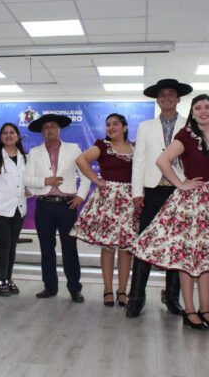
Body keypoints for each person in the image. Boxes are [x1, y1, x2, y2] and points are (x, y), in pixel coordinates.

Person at [132, 94, 209, 330]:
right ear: (193, 113)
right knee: (187, 257)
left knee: (208, 257)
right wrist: (181, 183)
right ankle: (189, 309)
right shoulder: (186, 135)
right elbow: (162, 160)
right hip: (192, 203)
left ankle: (205, 309)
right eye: (198, 108)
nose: (203, 111)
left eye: (207, 107)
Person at [126, 78, 192, 318]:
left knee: (176, 245)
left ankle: (172, 297)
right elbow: (139, 161)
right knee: (144, 244)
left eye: (171, 94)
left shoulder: (190, 125)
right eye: (162, 95)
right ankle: (136, 297)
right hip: (153, 190)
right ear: (157, 100)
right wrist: (137, 193)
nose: (166, 98)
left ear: (178, 98)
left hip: (180, 191)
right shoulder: (145, 126)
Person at [70, 113, 135, 307]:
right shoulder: (102, 146)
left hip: (129, 201)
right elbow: (81, 160)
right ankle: (107, 289)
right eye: (108, 124)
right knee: (108, 247)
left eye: (115, 124)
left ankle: (122, 291)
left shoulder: (136, 148)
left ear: (124, 127)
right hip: (109, 201)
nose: (111, 127)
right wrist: (96, 180)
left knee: (126, 249)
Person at [23, 114, 85, 303]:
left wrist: (80, 196)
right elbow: (26, 179)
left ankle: (74, 288)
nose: (49, 130)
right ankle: (50, 286)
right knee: (46, 248)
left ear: (59, 129)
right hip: (44, 205)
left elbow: (86, 175)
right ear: (42, 132)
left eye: (53, 126)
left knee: (70, 247)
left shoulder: (73, 148)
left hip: (67, 205)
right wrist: (45, 181)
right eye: (46, 127)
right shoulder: (34, 152)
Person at [0, 122, 35, 296]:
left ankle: (9, 278)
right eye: (5, 133)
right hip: (0, 210)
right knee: (4, 246)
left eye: (12, 132)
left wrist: (31, 191)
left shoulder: (25, 158)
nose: (9, 135)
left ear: (18, 136)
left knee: (12, 246)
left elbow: (32, 179)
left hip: (19, 209)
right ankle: (1, 281)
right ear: (0, 137)